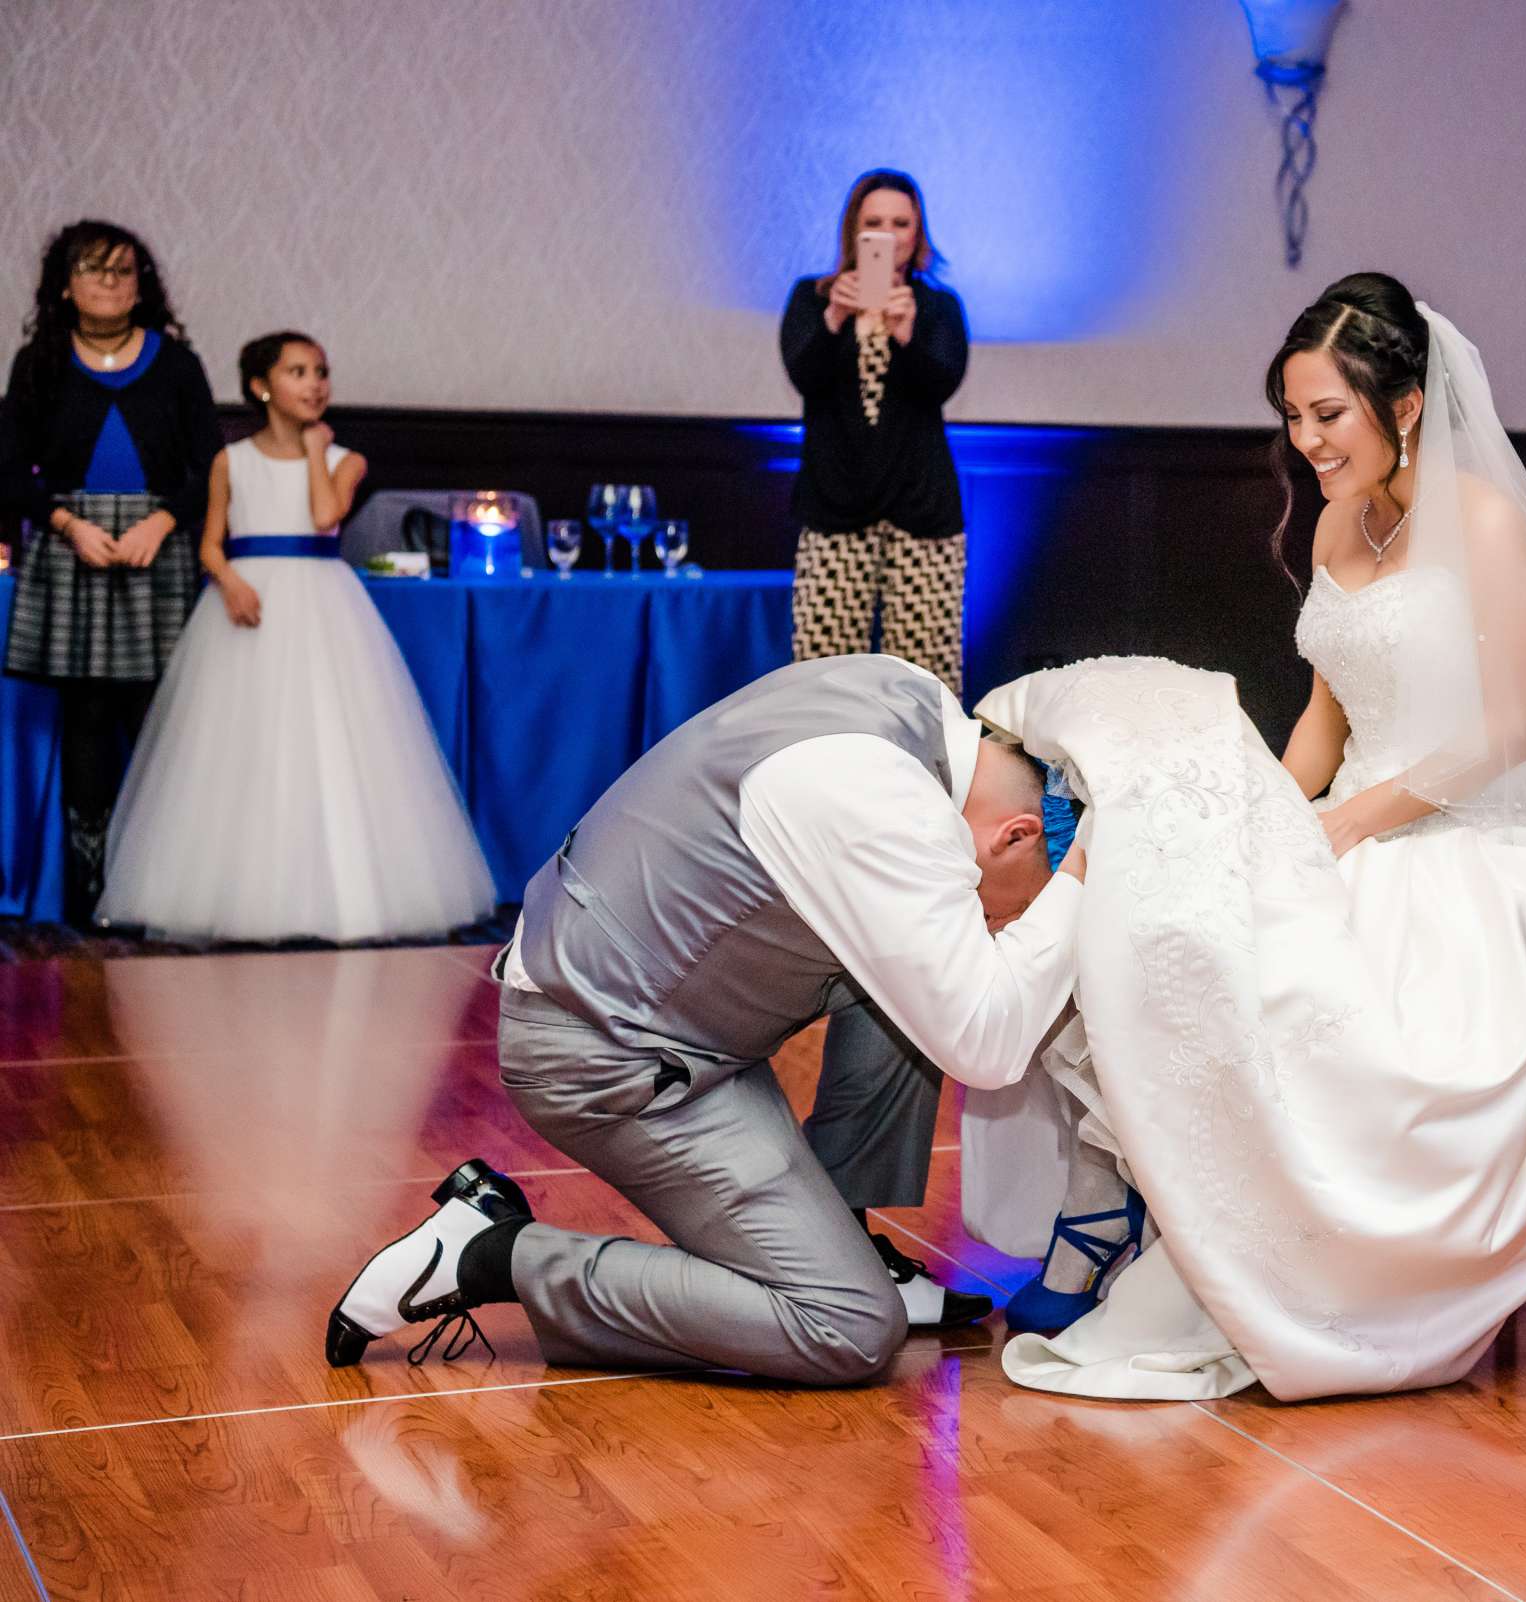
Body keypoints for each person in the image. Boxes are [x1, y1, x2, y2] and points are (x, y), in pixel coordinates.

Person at [974, 273, 1526, 1401]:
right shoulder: (1344, 518)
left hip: (1462, 827)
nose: (1307, 443)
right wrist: (1269, 818)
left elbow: (1505, 732)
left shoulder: (1482, 524)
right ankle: (1153, 1210)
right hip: (1351, 814)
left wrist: (1348, 823)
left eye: (1327, 415)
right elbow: (1323, 722)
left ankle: (1274, 1263)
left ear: (1406, 403)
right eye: (1292, 418)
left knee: (1298, 980)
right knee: (1171, 913)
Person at [325, 654, 1089, 1383]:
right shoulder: (883, 807)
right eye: (1018, 897)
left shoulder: (907, 695)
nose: (1005, 917)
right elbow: (987, 1046)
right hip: (606, 1057)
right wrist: (1078, 879)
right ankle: (492, 1253)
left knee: (922, 961)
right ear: (1017, 834)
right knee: (848, 1327)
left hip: (650, 996)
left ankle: (837, 1228)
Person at [95, 331, 495, 942]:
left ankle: (342, 898)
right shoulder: (231, 461)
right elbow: (209, 541)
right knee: (240, 747)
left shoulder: (345, 460)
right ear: (261, 386)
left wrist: (315, 452)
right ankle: (232, 896)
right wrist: (227, 580)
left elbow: (325, 517)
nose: (315, 384)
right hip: (246, 603)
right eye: (298, 372)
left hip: (323, 600)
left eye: (321, 372)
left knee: (331, 739)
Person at [0, 221, 221, 928]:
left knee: (162, 720)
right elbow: (8, 471)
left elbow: (210, 467)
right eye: (95, 271)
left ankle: (164, 893)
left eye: (124, 272)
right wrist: (68, 525)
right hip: (74, 550)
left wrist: (161, 523)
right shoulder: (38, 362)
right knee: (88, 719)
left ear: (141, 286)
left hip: (161, 552)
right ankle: (90, 899)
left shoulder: (178, 365)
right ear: (65, 287)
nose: (111, 283)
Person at [780, 170, 971, 693]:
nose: (888, 234)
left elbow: (943, 383)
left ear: (918, 233)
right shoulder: (812, 300)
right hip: (834, 511)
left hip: (921, 512)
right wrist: (836, 318)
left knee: (925, 683)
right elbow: (803, 376)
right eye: (874, 223)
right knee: (822, 681)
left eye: (901, 223)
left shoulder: (937, 307)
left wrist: (908, 334)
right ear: (853, 232)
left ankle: (926, 777)